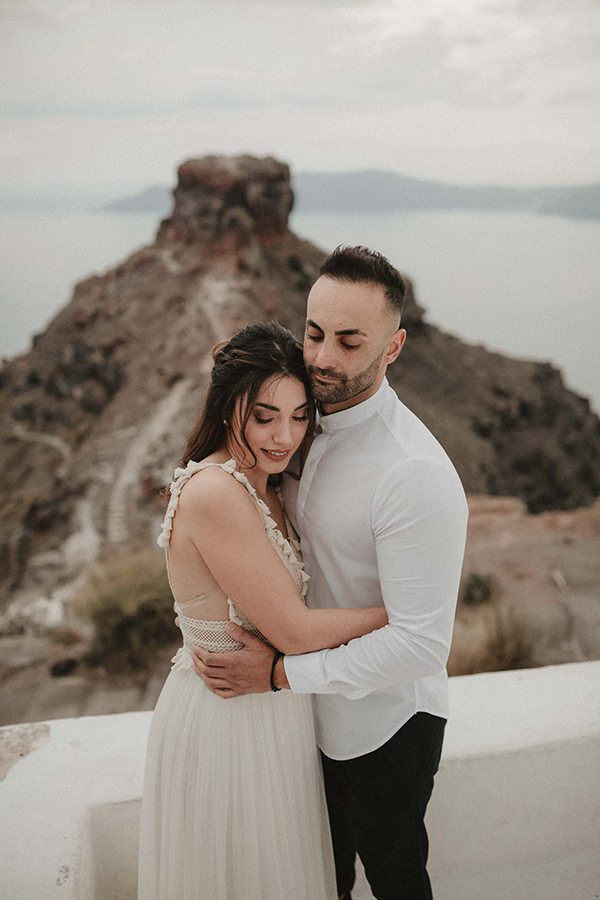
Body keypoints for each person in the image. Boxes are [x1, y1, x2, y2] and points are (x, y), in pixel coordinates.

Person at [191, 247, 469, 900]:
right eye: (314, 334)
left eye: (350, 341)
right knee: (319, 884)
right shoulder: (295, 420)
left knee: (396, 881)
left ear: (393, 347)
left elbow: (422, 643)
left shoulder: (413, 474)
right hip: (298, 721)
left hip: (384, 725)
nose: (323, 358)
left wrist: (282, 674)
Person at [137, 320, 389, 900]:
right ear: (229, 409)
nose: (284, 435)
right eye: (265, 415)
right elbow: (296, 631)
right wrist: (401, 613)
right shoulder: (215, 492)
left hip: (275, 709)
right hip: (226, 722)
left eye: (300, 416)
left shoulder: (270, 483)